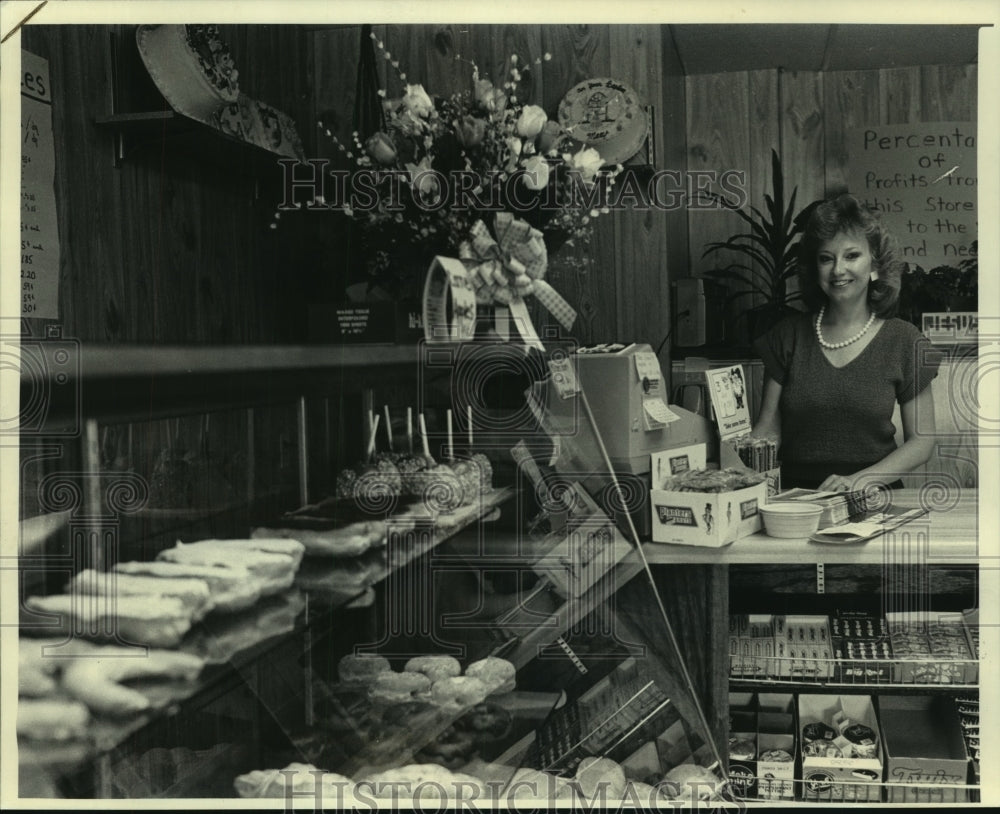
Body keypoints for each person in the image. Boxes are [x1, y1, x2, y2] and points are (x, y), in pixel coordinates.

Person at [752, 193, 939, 491]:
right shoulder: (787, 336)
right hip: (795, 498)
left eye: (852, 256)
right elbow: (767, 431)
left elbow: (923, 442)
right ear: (816, 269)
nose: (838, 269)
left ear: (874, 263)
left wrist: (858, 481)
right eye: (827, 258)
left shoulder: (905, 341)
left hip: (874, 495)